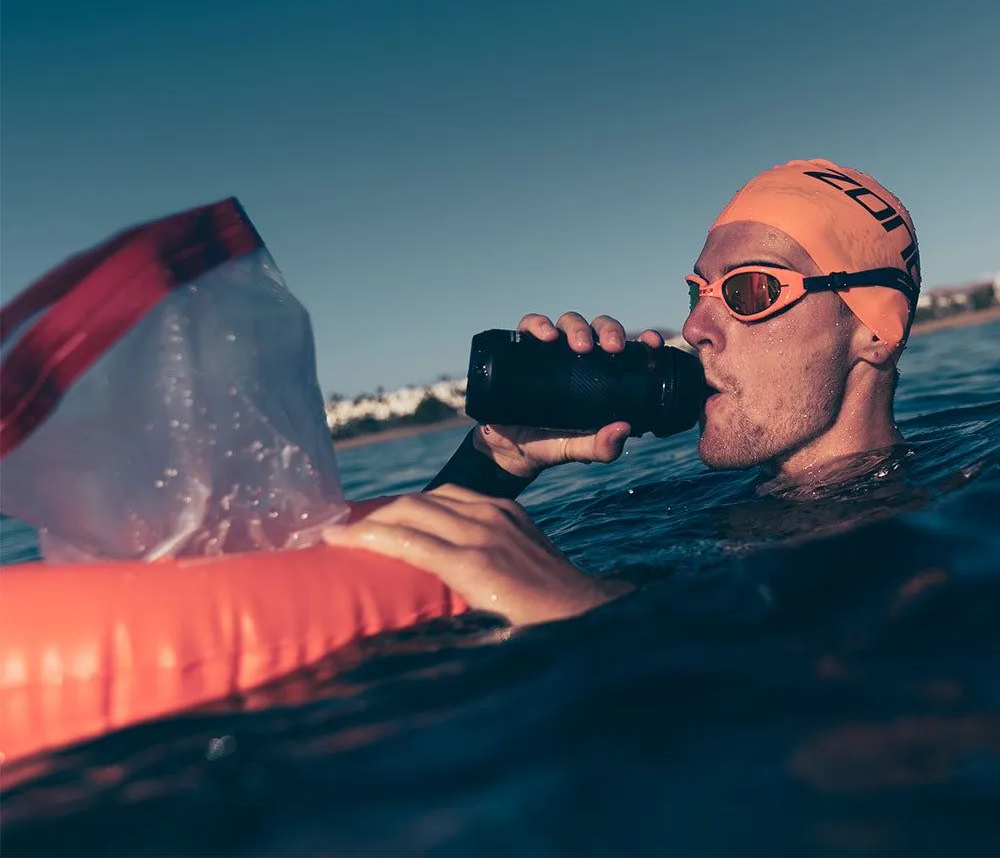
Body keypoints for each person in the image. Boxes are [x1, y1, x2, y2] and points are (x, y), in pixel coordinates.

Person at [324, 159, 921, 625]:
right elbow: (371, 593)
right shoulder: (704, 513)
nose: (693, 329)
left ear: (876, 329)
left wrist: (585, 614)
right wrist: (498, 464)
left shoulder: (929, 551)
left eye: (750, 290)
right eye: (698, 294)